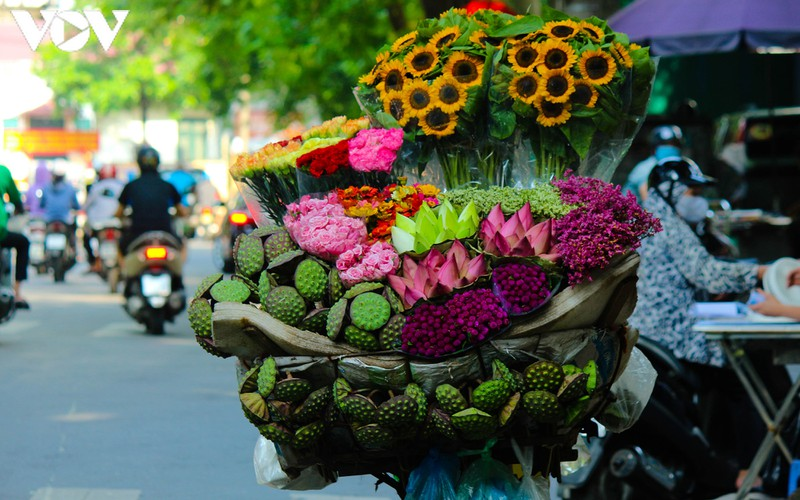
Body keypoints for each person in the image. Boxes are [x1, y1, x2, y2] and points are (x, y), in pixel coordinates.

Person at [628, 156, 790, 492]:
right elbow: (706, 273)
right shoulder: (662, 222)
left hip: (670, 326)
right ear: (672, 190)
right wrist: (764, 272)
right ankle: (749, 472)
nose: (699, 198)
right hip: (667, 333)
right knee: (741, 376)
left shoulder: (664, 219)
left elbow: (698, 273)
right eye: (693, 190)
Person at [116, 146, 188, 286]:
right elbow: (182, 211)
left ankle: (125, 274)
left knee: (119, 247)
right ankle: (178, 274)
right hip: (165, 232)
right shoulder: (168, 186)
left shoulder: (131, 186)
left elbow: (118, 212)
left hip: (137, 233)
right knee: (183, 245)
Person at [623, 125, 684, 202]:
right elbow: (649, 201)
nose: (671, 147)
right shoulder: (646, 167)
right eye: (665, 144)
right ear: (655, 147)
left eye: (674, 144)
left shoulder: (678, 167)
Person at [83, 164, 124, 273]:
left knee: (86, 237)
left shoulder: (96, 187)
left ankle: (93, 263)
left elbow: (87, 205)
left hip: (98, 223)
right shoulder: (121, 186)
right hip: (116, 222)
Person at [0, 164, 30, 309]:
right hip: (1, 232)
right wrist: (20, 209)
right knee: (23, 243)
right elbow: (15, 198)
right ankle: (17, 293)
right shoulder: (3, 171)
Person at [39, 165, 80, 253]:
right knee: (72, 236)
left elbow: (41, 204)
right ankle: (73, 250)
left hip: (49, 219)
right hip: (65, 220)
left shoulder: (46, 187)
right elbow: (76, 205)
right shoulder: (70, 188)